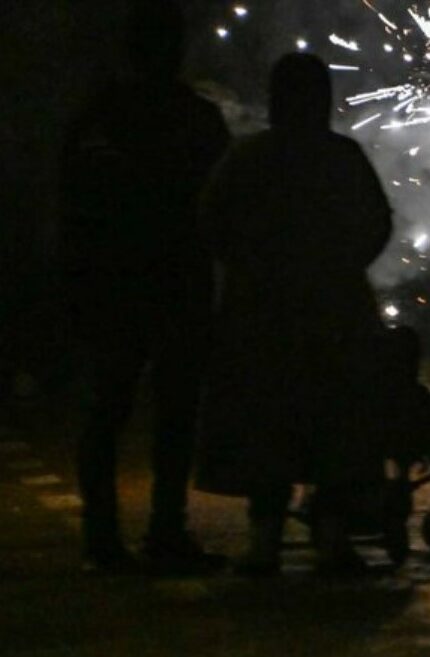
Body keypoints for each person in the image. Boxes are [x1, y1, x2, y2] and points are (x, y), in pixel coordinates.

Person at [196, 53, 392, 574]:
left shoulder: (247, 157)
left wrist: (248, 271)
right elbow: (377, 223)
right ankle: (332, 544)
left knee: (268, 430)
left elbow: (211, 222)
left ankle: (264, 547)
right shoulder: (341, 156)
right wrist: (343, 268)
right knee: (334, 430)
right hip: (334, 315)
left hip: (261, 318)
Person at [61, 0, 231, 572]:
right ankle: (163, 530)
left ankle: (104, 536)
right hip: (175, 279)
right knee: (172, 413)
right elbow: (221, 208)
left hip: (116, 280)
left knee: (109, 409)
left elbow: (70, 205)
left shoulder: (99, 117)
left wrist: (71, 279)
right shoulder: (195, 117)